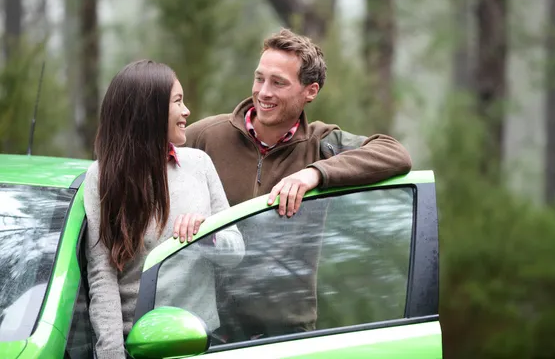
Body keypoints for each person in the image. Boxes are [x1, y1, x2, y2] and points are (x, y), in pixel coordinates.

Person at [180, 28, 412, 341]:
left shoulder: (322, 144)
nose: (263, 92)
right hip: (211, 327)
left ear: (310, 91)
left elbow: (395, 153)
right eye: (259, 78)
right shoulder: (207, 136)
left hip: (288, 332)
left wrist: (315, 173)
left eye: (278, 83)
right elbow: (148, 166)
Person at [83, 59, 244, 359]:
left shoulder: (199, 164)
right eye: (177, 101)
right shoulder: (101, 177)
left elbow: (236, 251)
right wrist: (112, 354)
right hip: (140, 345)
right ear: (150, 111)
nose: (187, 111)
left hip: (203, 342)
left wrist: (208, 235)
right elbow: (102, 274)